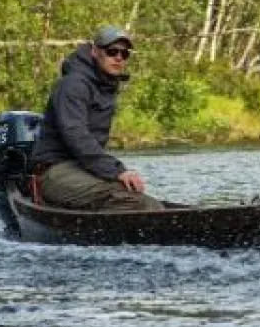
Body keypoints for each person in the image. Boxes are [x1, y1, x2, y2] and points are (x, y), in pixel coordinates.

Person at [26, 25, 163, 211]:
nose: (118, 58)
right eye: (112, 51)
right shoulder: (73, 85)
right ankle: (104, 236)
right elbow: (76, 135)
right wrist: (117, 171)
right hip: (54, 171)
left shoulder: (103, 85)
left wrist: (112, 171)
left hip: (82, 168)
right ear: (94, 51)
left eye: (125, 54)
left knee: (147, 203)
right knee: (133, 201)